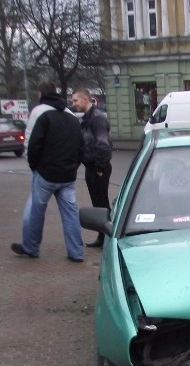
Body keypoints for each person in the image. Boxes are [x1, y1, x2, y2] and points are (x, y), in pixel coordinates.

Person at [11, 83, 85, 262]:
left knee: (35, 210)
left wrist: (34, 166)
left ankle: (31, 246)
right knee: (70, 213)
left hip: (45, 173)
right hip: (67, 174)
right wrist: (73, 166)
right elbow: (80, 146)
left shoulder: (39, 112)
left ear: (39, 93)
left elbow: (32, 143)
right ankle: (76, 252)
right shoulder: (71, 116)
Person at [72, 89, 113, 248]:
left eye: (75, 100)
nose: (73, 104)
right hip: (93, 167)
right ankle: (102, 237)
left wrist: (99, 167)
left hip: (97, 168)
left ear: (85, 99)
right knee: (98, 204)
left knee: (101, 204)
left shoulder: (96, 119)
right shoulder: (89, 119)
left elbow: (103, 145)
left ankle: (107, 237)